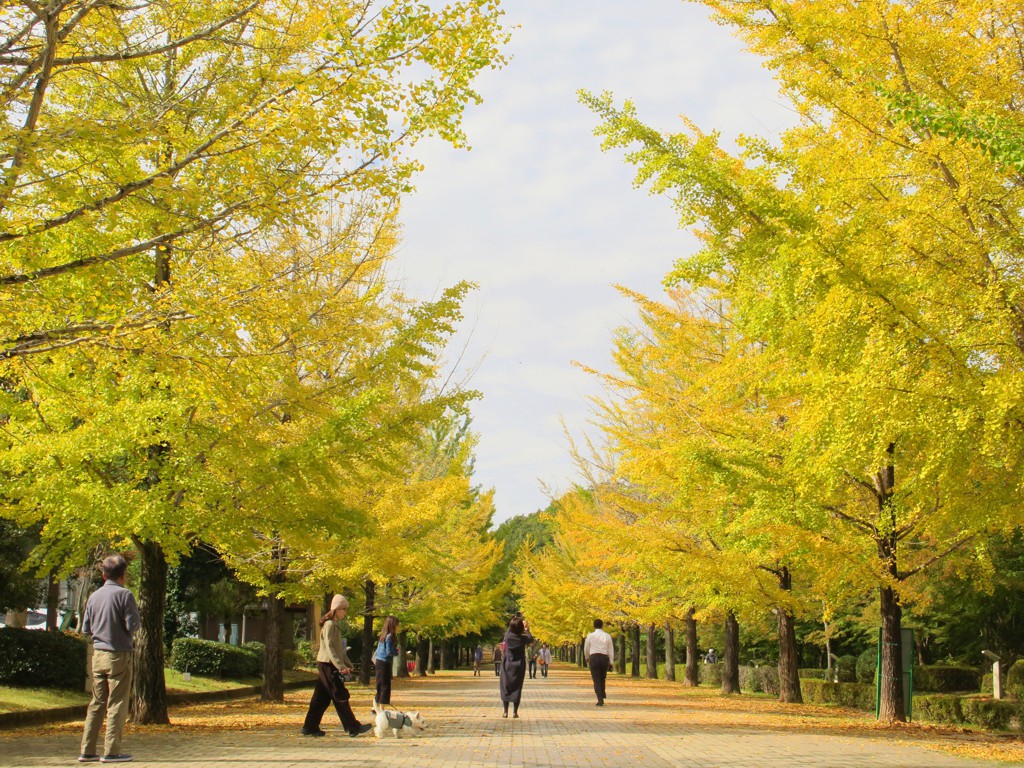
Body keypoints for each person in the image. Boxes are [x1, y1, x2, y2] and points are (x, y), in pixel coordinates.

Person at [79, 554, 141, 764]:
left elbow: (86, 628)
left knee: (96, 703)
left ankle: (87, 750)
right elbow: (132, 625)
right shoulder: (125, 595)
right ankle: (111, 751)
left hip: (98, 654)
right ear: (123, 575)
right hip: (119, 654)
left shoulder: (94, 596)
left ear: (103, 574)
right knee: (117, 703)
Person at [301, 595, 372, 738]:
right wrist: (340, 666)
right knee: (339, 695)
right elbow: (330, 648)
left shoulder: (333, 625)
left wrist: (347, 664)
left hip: (328, 664)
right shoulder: (329, 625)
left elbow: (339, 650)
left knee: (321, 698)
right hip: (328, 665)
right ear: (337, 609)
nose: (345, 613)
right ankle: (353, 727)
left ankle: (310, 727)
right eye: (344, 609)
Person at [499, 616, 534, 718]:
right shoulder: (522, 639)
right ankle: (515, 712)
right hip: (519, 666)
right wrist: (527, 629)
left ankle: (505, 711)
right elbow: (530, 639)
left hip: (507, 665)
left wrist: (513, 621)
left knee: (505, 687)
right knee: (517, 688)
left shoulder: (507, 637)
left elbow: (508, 630)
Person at [583, 618, 614, 707]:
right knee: (602, 677)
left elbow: (586, 648)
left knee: (596, 679)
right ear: (602, 625)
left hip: (594, 658)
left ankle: (600, 698)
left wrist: (587, 657)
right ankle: (602, 693)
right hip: (604, 658)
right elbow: (610, 649)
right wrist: (611, 661)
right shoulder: (607, 636)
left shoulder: (590, 636)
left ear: (594, 626)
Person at [373, 615, 399, 712]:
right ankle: (381, 708)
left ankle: (375, 706)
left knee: (380, 684)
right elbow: (389, 652)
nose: (398, 626)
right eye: (397, 624)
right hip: (384, 663)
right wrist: (397, 652)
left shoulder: (383, 635)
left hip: (380, 662)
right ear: (393, 625)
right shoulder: (390, 636)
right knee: (384, 686)